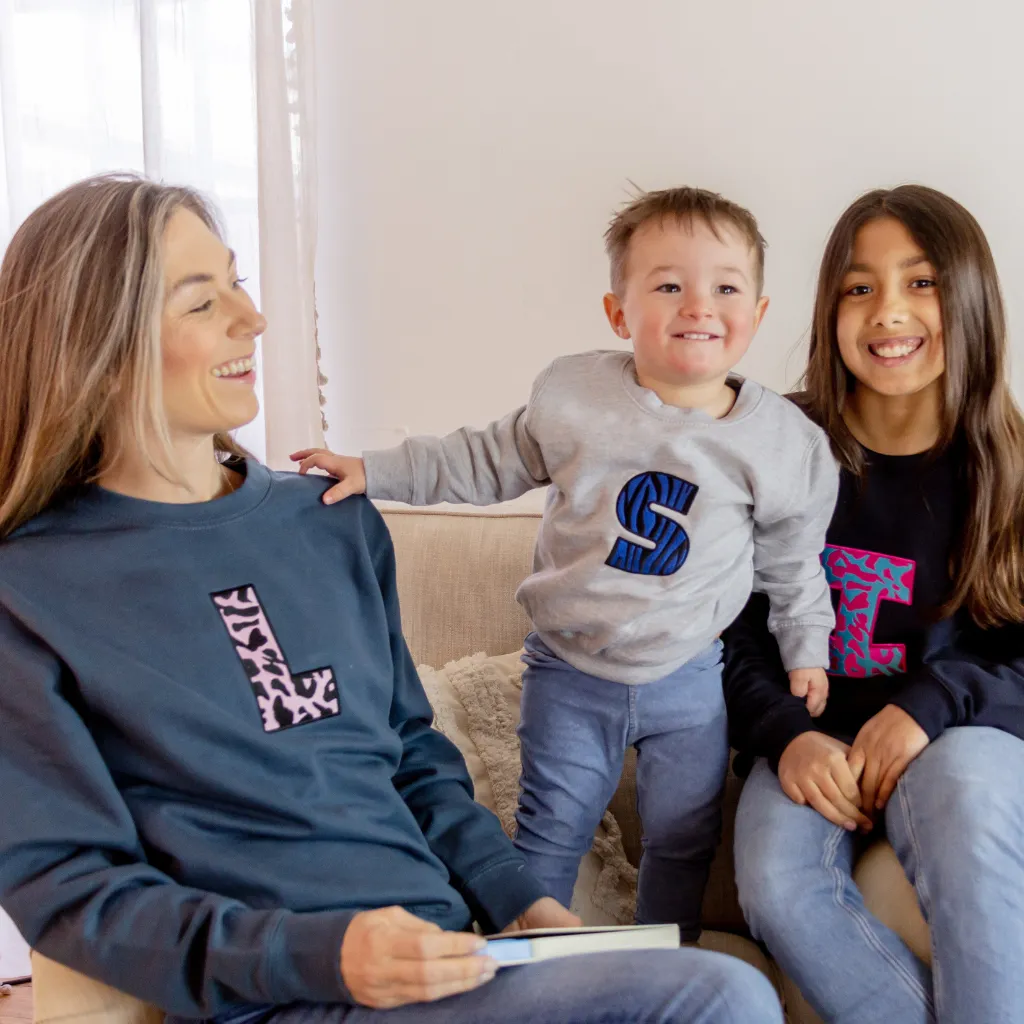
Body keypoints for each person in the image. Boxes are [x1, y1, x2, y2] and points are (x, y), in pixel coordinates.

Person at [0, 174, 783, 1024]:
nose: (250, 320)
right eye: (201, 302)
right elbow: (72, 893)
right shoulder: (32, 591)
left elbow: (411, 752)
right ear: (101, 340)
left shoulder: (327, 520)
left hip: (456, 969)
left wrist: (523, 905)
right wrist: (325, 956)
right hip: (290, 1000)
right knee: (719, 997)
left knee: (712, 989)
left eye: (240, 283)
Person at [290, 186, 838, 940]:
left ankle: (660, 971)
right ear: (619, 313)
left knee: (682, 840)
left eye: (725, 287)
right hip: (572, 672)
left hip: (688, 680)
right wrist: (374, 470)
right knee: (552, 828)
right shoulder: (575, 394)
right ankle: (533, 964)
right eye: (669, 285)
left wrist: (807, 648)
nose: (698, 306)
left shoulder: (783, 442)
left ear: (760, 312)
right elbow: (481, 459)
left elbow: (792, 560)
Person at [725, 184, 1024, 1023]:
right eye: (860, 288)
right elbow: (724, 634)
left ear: (968, 297)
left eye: (921, 282)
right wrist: (785, 736)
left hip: (960, 742)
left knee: (966, 791)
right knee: (776, 878)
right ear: (829, 311)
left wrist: (931, 705)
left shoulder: (1011, 465)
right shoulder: (772, 447)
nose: (888, 312)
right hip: (809, 742)